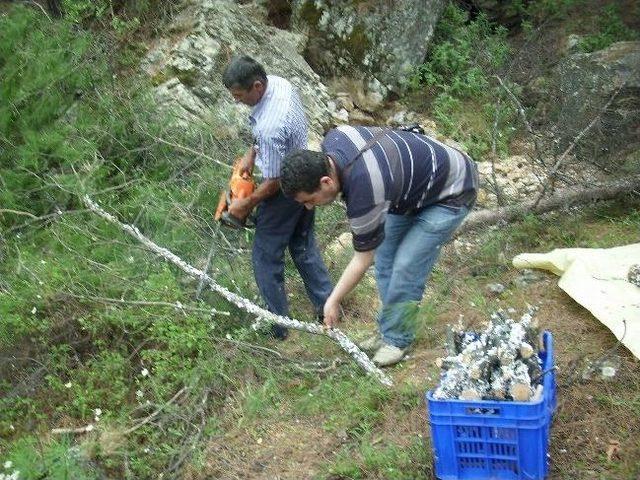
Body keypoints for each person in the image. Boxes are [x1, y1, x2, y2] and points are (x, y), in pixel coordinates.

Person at [280, 125, 478, 365]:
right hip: (408, 190)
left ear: (325, 181)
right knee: (385, 258)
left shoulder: (365, 187)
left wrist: (332, 300)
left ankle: (398, 339)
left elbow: (362, 258)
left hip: (453, 190)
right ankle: (387, 330)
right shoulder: (334, 138)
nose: (309, 207)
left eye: (310, 200)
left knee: (406, 266)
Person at [221, 55, 333, 339]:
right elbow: (269, 138)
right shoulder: (279, 85)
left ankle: (279, 327)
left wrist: (247, 203)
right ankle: (329, 306)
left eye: (239, 95)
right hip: (304, 172)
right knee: (302, 244)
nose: (237, 101)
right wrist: (252, 151)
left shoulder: (271, 126)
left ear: (257, 86)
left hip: (285, 188)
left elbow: (275, 181)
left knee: (265, 256)